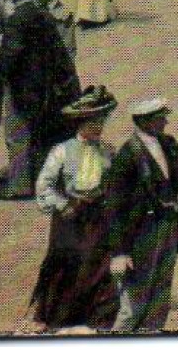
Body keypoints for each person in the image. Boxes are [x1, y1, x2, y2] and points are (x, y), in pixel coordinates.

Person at [104, 98, 178, 333]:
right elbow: (114, 207)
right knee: (135, 301)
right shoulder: (127, 155)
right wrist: (120, 252)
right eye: (160, 118)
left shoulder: (168, 145)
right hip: (142, 234)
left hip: (169, 227)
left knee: (161, 294)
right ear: (144, 121)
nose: (165, 121)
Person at [30, 87, 121, 332]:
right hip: (70, 216)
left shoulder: (108, 151)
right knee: (66, 265)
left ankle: (98, 316)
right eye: (94, 122)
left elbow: (115, 184)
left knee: (97, 263)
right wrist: (62, 204)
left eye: (102, 121)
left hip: (96, 217)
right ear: (81, 123)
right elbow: (44, 185)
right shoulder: (62, 151)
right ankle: (57, 316)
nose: (99, 127)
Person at [0, 0, 83, 200]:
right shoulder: (43, 14)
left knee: (17, 134)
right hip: (51, 86)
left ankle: (19, 186)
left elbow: (10, 58)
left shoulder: (16, 20)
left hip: (26, 87)